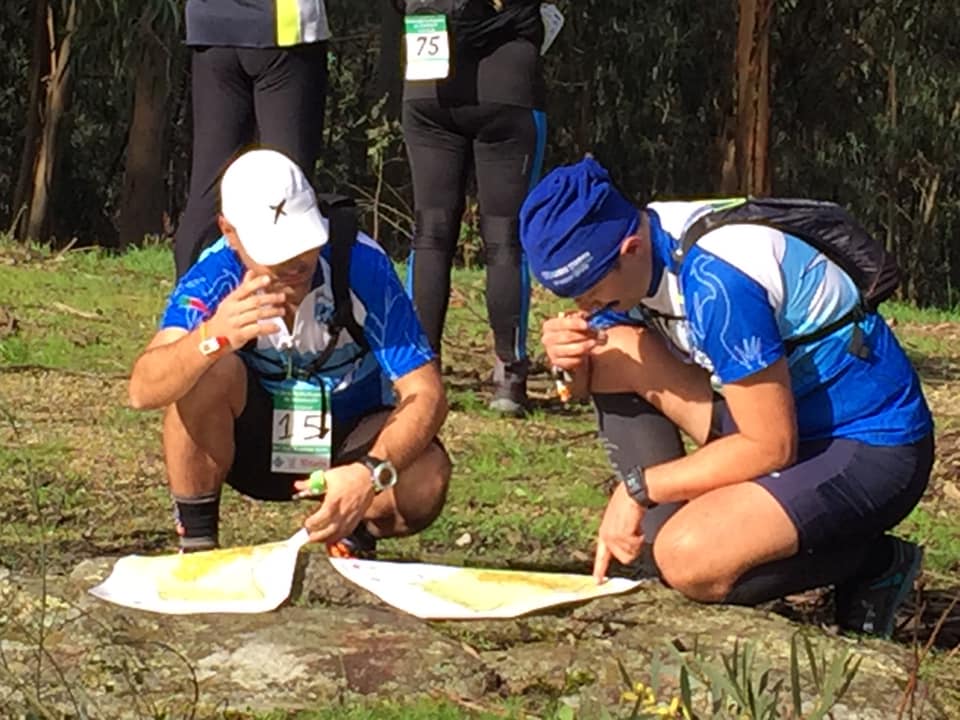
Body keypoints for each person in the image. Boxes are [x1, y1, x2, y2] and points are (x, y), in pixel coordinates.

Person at [518, 156, 934, 637]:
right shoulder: (644, 248)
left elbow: (771, 446)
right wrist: (567, 362)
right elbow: (583, 384)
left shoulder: (718, 280)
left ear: (630, 248)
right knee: (609, 351)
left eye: (589, 293)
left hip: (867, 448)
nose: (583, 307)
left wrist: (638, 488)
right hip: (776, 420)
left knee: (689, 559)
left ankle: (874, 561)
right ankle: (664, 536)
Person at [129, 149, 451, 555]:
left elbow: (427, 393)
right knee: (202, 370)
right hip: (253, 444)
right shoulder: (215, 275)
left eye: (304, 239)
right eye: (275, 249)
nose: (296, 261)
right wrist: (212, 337)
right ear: (230, 232)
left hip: (352, 443)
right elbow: (142, 390)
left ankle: (352, 534)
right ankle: (197, 543)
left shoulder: (361, 263)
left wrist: (369, 473)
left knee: (426, 478)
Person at [399, 0, 550, 415]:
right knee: (505, 236)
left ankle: (418, 370)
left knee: (430, 231)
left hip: (430, 83)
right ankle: (510, 377)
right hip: (508, 84)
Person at [174, 0, 331, 278]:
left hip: (211, 27)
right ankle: (285, 302)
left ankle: (189, 298)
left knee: (209, 183)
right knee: (287, 189)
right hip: (283, 30)